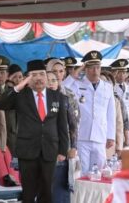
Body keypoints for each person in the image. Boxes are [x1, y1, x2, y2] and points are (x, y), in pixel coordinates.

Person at [0, 60, 69, 203]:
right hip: (27, 151)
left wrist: (62, 150)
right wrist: (18, 87)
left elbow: (62, 125)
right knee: (28, 191)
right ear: (28, 78)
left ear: (46, 76)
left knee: (47, 190)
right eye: (34, 75)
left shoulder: (56, 96)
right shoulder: (21, 96)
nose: (39, 78)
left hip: (49, 150)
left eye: (42, 74)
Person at [63, 51, 116, 175]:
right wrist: (75, 72)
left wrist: (111, 136)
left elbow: (111, 113)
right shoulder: (77, 84)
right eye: (91, 67)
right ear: (85, 69)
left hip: (100, 136)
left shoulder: (107, 87)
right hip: (82, 135)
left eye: (97, 67)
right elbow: (62, 89)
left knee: (100, 172)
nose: (95, 71)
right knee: (82, 172)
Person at [46, 59, 81, 203]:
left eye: (61, 71)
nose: (58, 75)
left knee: (62, 189)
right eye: (54, 71)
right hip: (45, 149)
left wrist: (73, 146)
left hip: (64, 148)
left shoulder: (69, 95)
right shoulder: (40, 95)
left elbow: (74, 123)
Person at [110, 59, 129, 146]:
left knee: (127, 150)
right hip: (116, 123)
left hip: (128, 123)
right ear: (113, 73)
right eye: (119, 72)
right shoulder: (110, 87)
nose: (121, 75)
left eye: (124, 72)